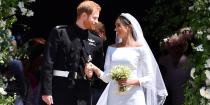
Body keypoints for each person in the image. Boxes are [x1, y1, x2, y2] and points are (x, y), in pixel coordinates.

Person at [85, 13, 168, 105]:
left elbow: (150, 77)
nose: (115, 29)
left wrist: (130, 82)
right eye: (115, 26)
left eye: (118, 25)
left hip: (134, 96)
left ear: (129, 27)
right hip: (114, 97)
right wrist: (94, 68)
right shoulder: (111, 49)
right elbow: (107, 78)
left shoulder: (141, 49)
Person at [40, 1, 104, 105]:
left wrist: (91, 75)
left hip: (83, 94)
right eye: (94, 18)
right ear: (84, 16)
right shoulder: (60, 32)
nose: (97, 21)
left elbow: (100, 69)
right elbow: (48, 63)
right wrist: (46, 91)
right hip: (60, 90)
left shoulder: (97, 41)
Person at [158, 27, 192, 105]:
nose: (176, 49)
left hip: (187, 98)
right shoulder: (163, 60)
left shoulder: (189, 61)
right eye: (173, 46)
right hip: (168, 99)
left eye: (179, 46)